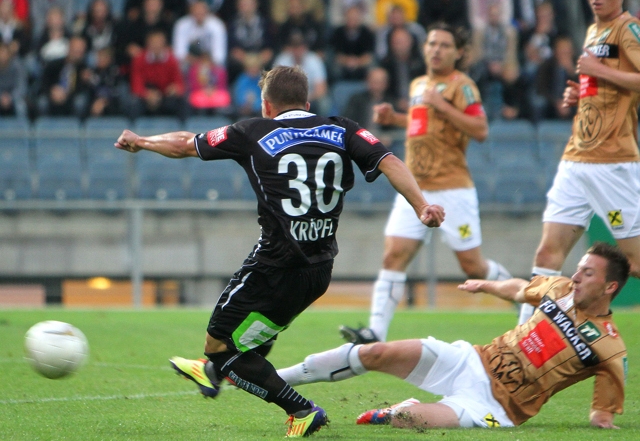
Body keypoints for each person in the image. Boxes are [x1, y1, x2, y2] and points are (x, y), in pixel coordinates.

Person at [114, 66, 445, 437]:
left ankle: (299, 409)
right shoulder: (343, 129)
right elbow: (389, 162)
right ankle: (212, 375)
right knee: (255, 337)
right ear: (307, 103)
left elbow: (185, 143)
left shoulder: (253, 130)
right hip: (319, 270)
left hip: (273, 265)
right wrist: (421, 205)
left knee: (220, 345)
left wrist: (141, 141)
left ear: (267, 105)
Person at [277, 241, 629, 430]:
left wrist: (602, 420)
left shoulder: (609, 346)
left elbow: (603, 412)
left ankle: (403, 410)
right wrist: (487, 285)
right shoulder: (560, 288)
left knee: (404, 423)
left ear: (610, 286)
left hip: (494, 407)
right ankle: (276, 380)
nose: (577, 276)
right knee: (375, 353)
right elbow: (521, 289)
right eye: (579, 268)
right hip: (470, 360)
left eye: (588, 272)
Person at [339, 22, 511, 346]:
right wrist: (396, 119)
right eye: (432, 43)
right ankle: (375, 332)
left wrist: (442, 104)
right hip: (416, 188)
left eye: (445, 45)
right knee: (394, 255)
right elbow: (425, 122)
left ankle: (522, 297)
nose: (436, 49)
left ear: (458, 53)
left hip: (452, 187)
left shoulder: (463, 87)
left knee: (472, 265)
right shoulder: (420, 84)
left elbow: (481, 129)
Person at [518, 0, 640, 325]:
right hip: (576, 159)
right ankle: (523, 338)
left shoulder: (627, 29)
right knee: (547, 252)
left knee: (635, 263)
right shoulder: (593, 31)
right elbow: (607, 88)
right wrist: (581, 93)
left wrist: (596, 71)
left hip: (612, 163)